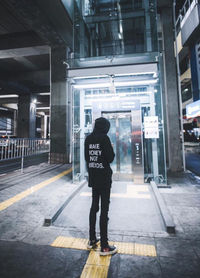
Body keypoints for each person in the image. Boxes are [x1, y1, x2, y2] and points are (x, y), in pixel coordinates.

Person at [84, 117, 117, 256]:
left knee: (94, 207)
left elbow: (87, 157)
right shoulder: (104, 139)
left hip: (93, 177)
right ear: (105, 127)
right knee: (104, 210)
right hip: (104, 179)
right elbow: (110, 158)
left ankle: (92, 239)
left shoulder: (88, 139)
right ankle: (104, 246)